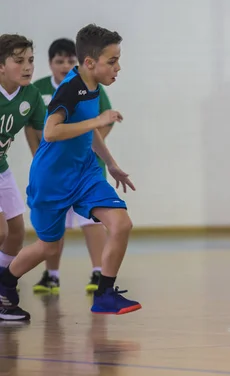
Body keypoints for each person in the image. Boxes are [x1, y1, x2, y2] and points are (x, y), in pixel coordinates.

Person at [0, 24, 141, 321]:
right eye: (112, 61)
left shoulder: (94, 87)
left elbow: (91, 133)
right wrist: (97, 121)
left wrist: (112, 164)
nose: (118, 67)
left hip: (86, 173)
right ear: (90, 63)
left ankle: (104, 293)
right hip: (52, 180)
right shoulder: (71, 89)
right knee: (48, 247)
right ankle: (6, 282)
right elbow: (50, 132)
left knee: (121, 224)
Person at [33, 38, 114, 294]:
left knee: (91, 220)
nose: (65, 65)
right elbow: (36, 128)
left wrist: (87, 144)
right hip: (55, 171)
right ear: (50, 64)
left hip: (85, 166)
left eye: (70, 60)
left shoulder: (92, 86)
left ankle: (98, 271)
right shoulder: (40, 89)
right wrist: (40, 158)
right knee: (54, 224)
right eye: (60, 61)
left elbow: (105, 121)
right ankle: (51, 275)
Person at [0, 34, 46, 290]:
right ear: (1, 66)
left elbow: (47, 133)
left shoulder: (31, 95)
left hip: (1, 168)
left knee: (16, 232)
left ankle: (3, 288)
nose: (27, 66)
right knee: (1, 231)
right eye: (19, 61)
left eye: (30, 60)